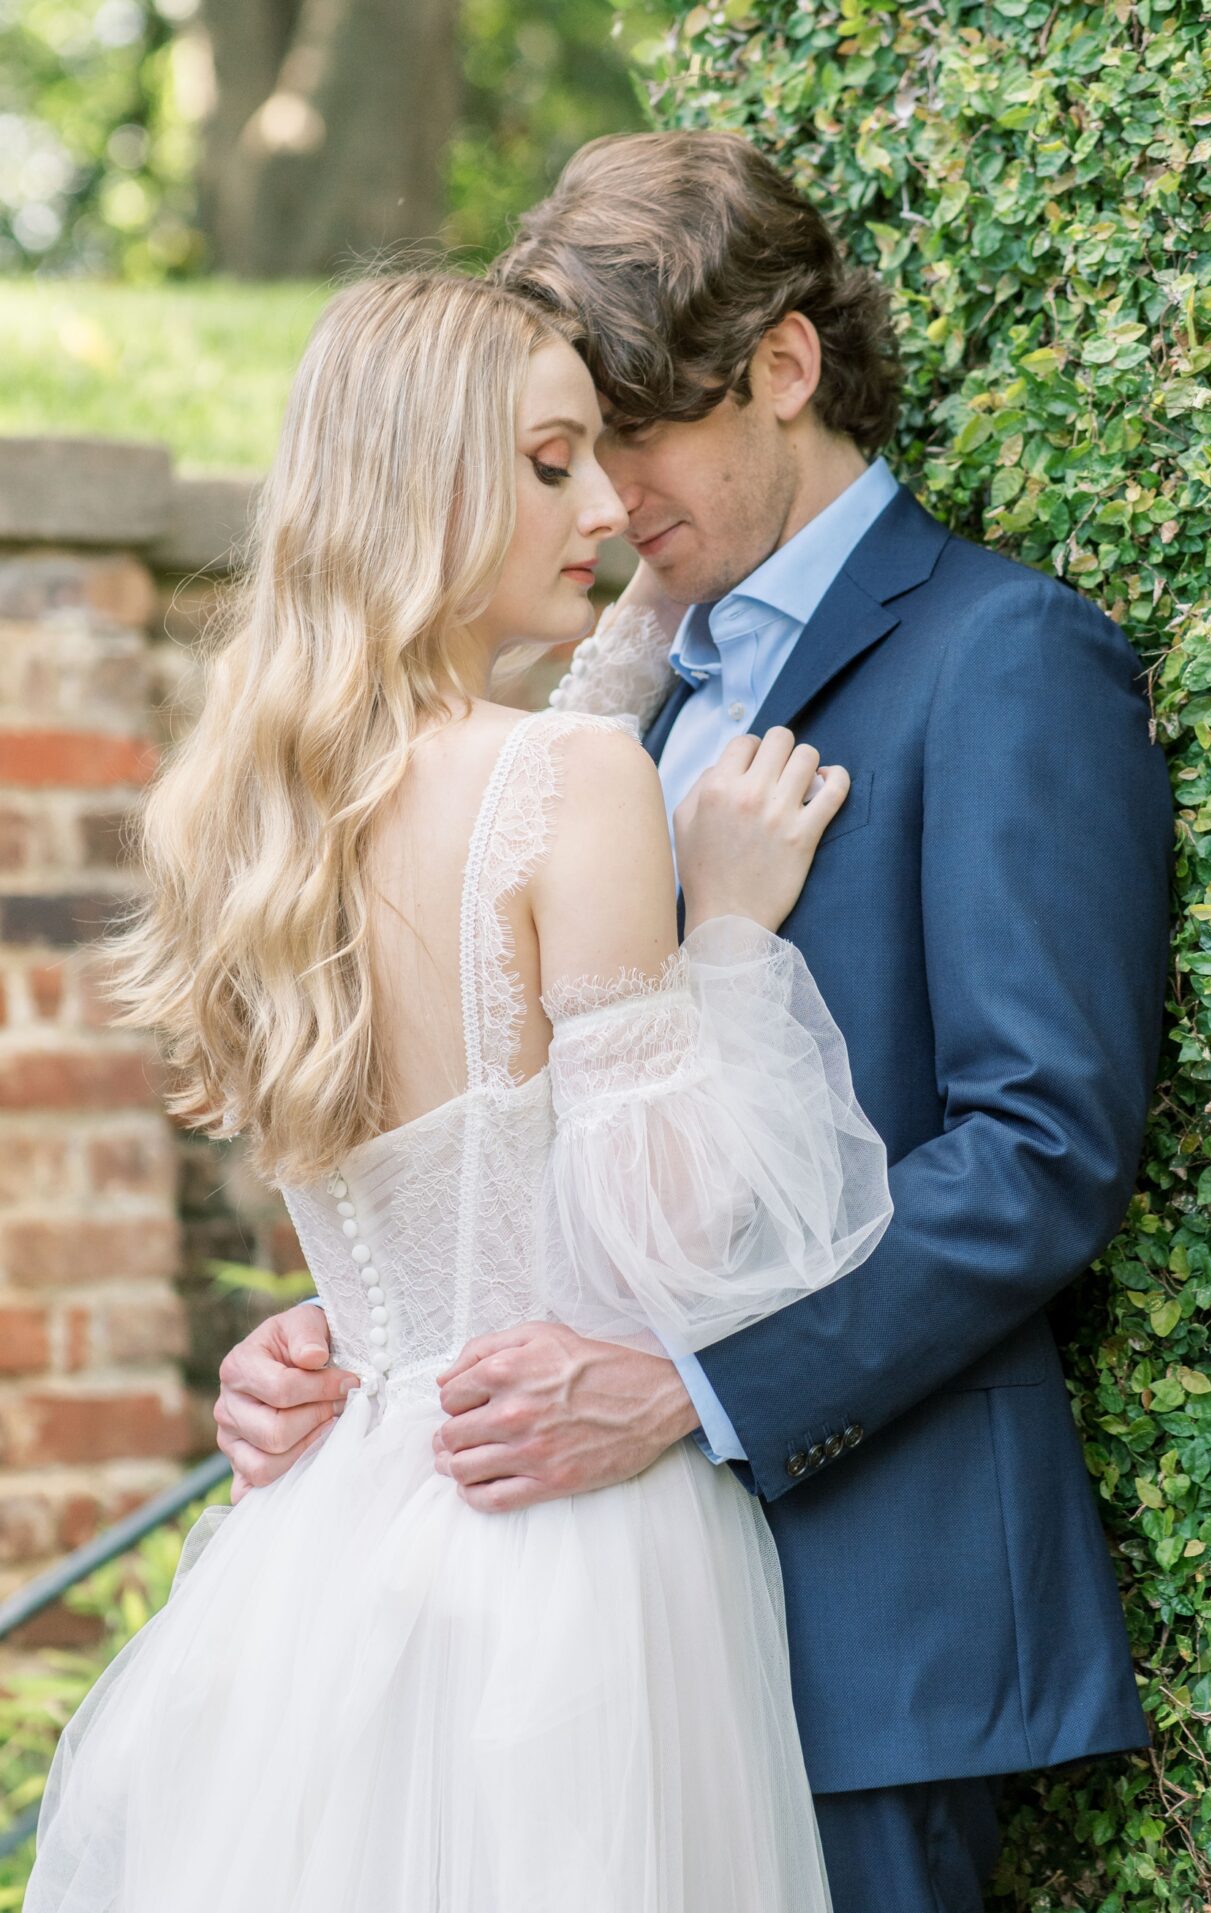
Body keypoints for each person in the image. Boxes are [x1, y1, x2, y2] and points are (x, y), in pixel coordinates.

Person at [206, 131, 1172, 1913]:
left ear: (784, 367)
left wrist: (692, 1394)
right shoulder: (588, 715)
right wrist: (357, 1329)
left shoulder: (1003, 657)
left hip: (869, 1629)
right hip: (560, 1634)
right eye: (565, 447)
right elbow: (545, 1117)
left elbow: (1041, 1152)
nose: (607, 493)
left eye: (630, 430)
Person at [35, 270, 891, 1910]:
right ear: (425, 483)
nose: (607, 511)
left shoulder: (249, 816)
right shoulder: (577, 779)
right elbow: (684, 1235)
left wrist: (622, 666)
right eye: (552, 462)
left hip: (332, 1544)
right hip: (570, 1544)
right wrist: (723, 927)